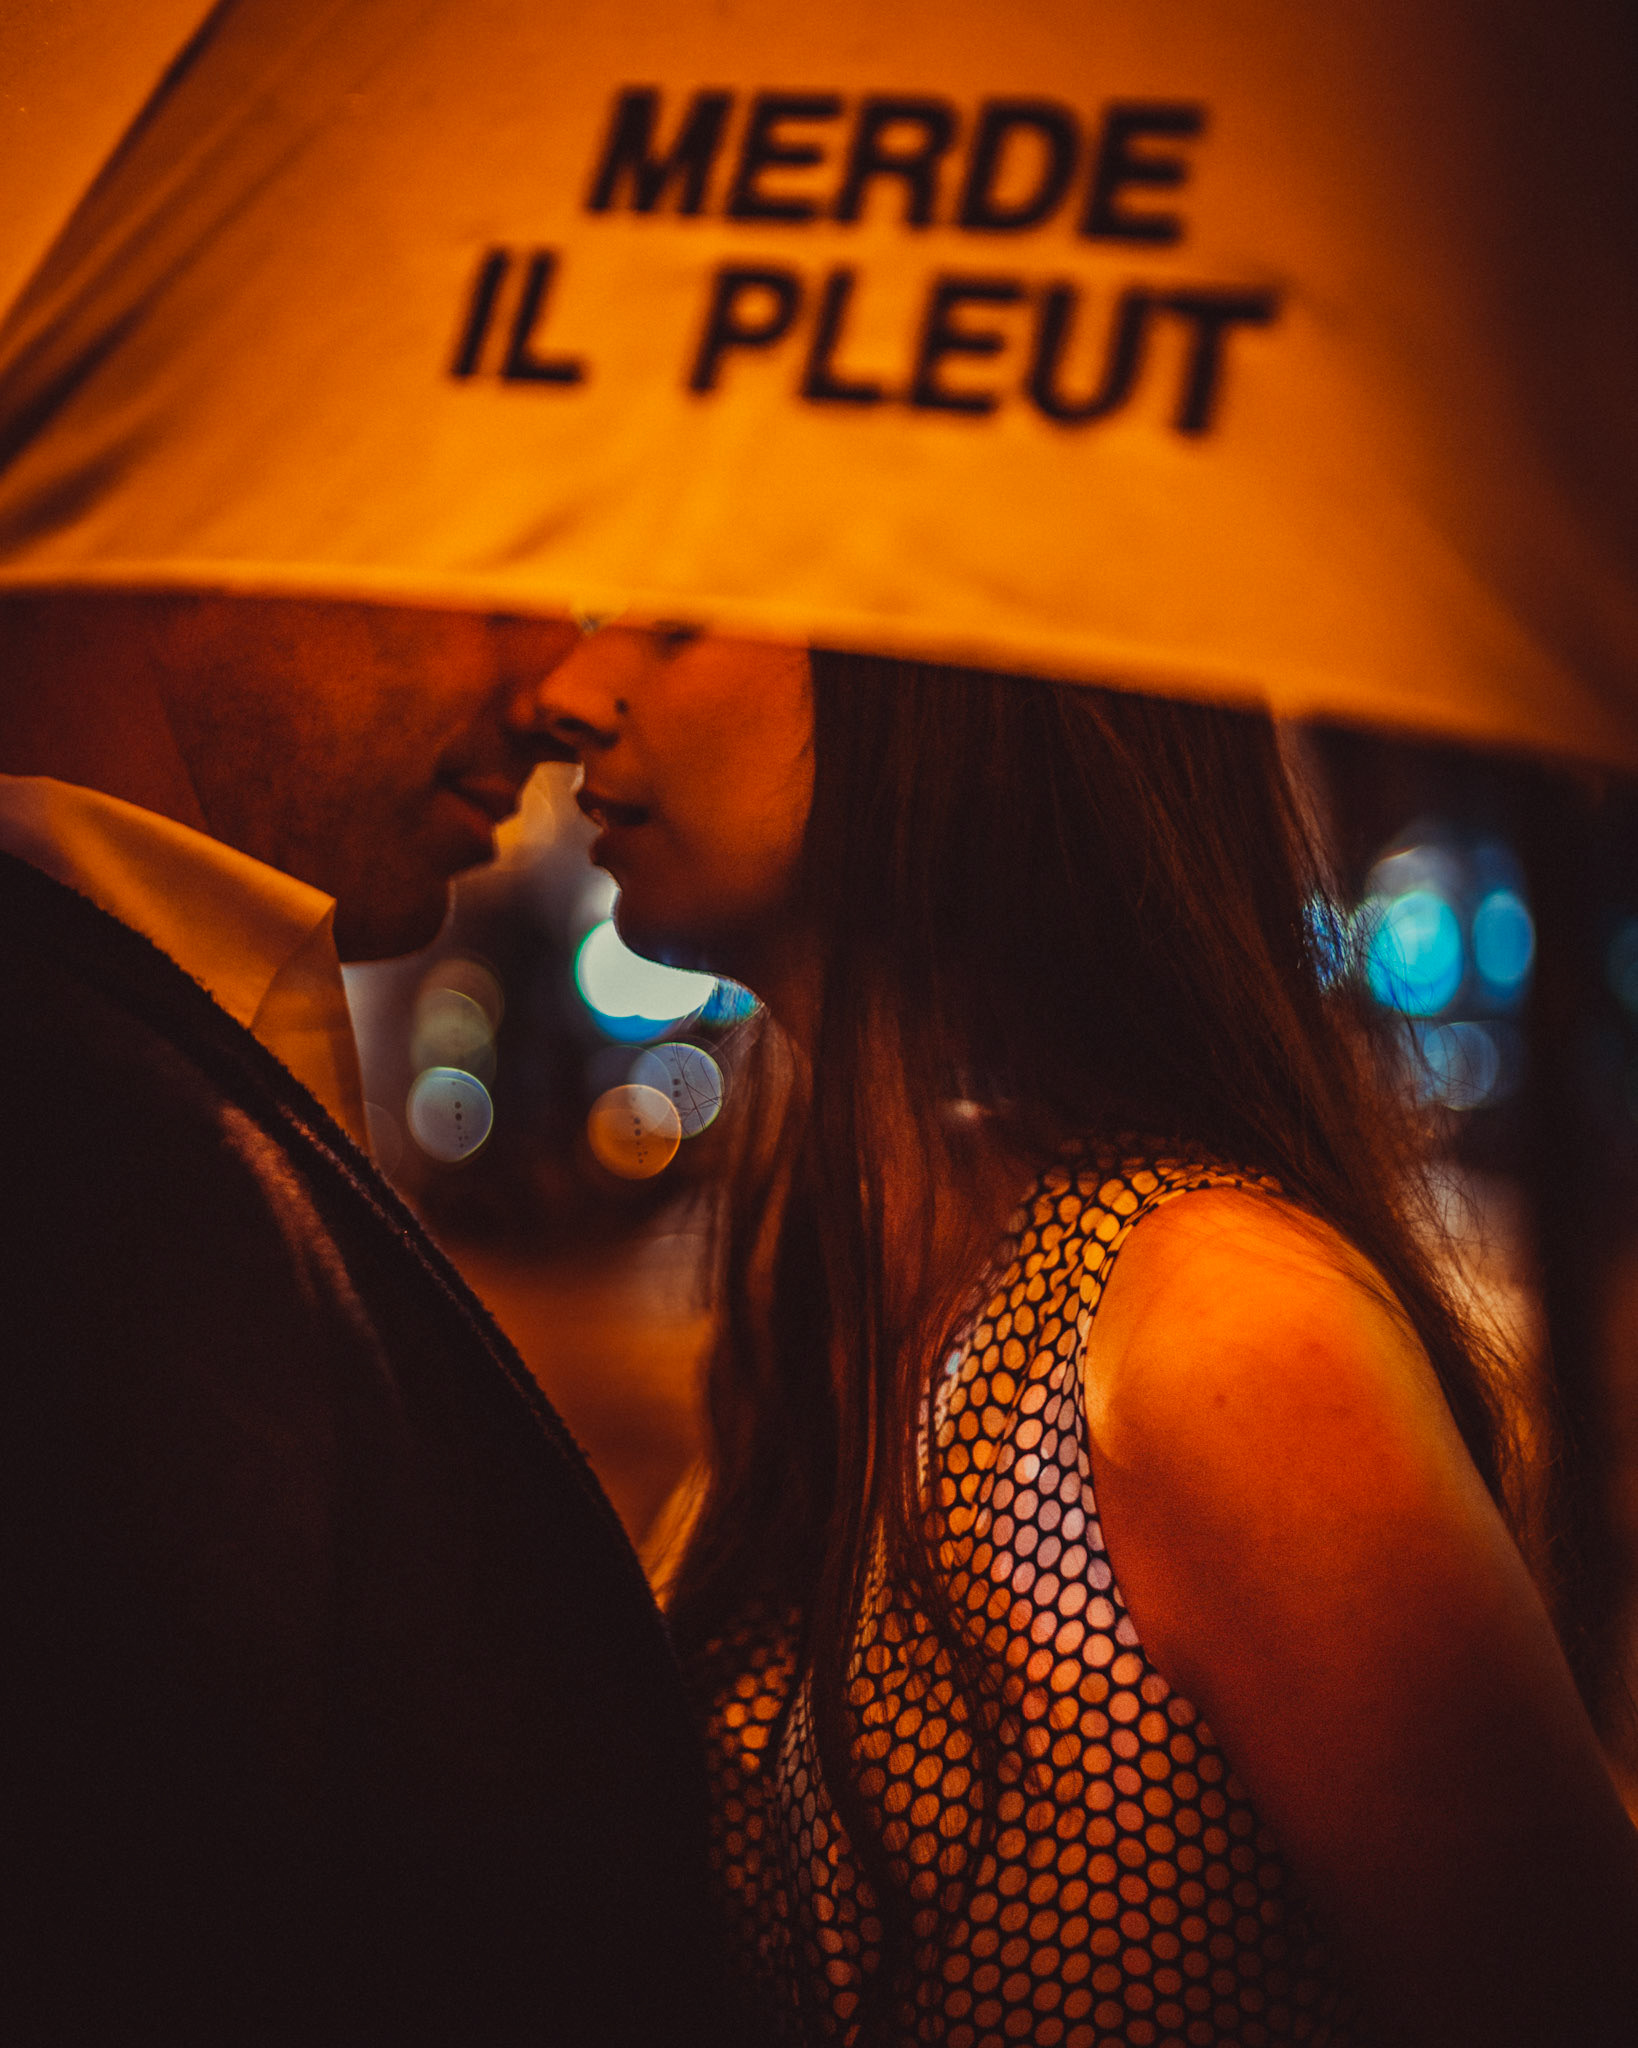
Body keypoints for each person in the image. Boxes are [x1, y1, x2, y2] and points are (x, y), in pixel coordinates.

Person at [536, 626, 1638, 2048]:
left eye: (671, 615)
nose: (574, 688)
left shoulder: (1217, 1331)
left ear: (943, 663)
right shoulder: (830, 1296)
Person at [0, 590, 735, 2046]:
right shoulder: (71, 1137)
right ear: (189, 527)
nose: (560, 687)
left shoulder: (156, 1056)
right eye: (486, 579)